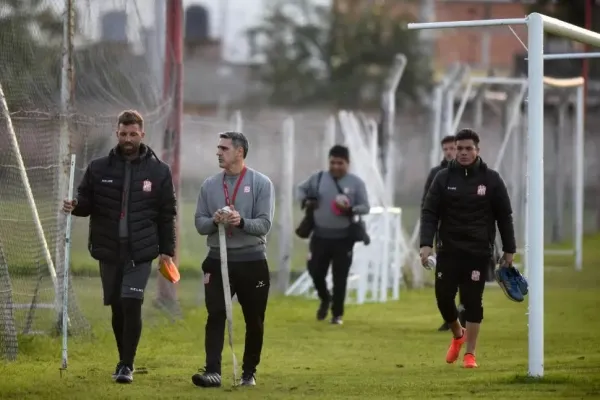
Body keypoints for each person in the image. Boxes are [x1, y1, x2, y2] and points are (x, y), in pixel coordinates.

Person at [62, 110, 176, 384]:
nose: (128, 138)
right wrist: (75, 207)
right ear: (117, 133)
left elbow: (166, 213)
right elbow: (86, 202)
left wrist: (167, 250)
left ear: (142, 134)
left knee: (131, 302)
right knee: (116, 306)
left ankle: (127, 364)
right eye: (123, 134)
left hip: (142, 250)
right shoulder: (99, 168)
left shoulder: (158, 171)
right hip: (109, 249)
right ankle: (122, 355)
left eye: (133, 134)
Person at [419, 128, 516, 369]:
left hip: (478, 251)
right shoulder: (442, 178)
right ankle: (457, 334)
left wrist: (509, 249)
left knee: (473, 301)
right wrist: (425, 245)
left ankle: (470, 354)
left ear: (477, 151)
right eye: (459, 148)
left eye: (467, 149)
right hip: (448, 250)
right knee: (443, 298)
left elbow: (504, 216)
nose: (462, 153)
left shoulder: (491, 180)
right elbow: (429, 212)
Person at [192, 131, 275, 388]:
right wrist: (214, 220)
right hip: (217, 260)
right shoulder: (209, 185)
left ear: (239, 152)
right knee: (215, 314)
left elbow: (264, 224)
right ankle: (213, 372)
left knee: (254, 318)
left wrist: (240, 222)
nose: (218, 152)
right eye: (218, 148)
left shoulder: (261, 183)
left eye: (224, 148)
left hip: (252, 262)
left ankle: (248, 372)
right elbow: (199, 223)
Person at [296, 145, 370, 325]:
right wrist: (306, 200)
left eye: (340, 163)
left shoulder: (356, 183)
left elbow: (365, 207)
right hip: (320, 236)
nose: (336, 166)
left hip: (344, 239)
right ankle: (324, 298)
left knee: (340, 277)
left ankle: (337, 314)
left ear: (347, 163)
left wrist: (351, 209)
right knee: (315, 270)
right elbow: (300, 190)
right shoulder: (318, 178)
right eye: (333, 162)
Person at [421, 135, 466, 332]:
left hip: (466, 233)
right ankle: (451, 317)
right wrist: (427, 237)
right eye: (446, 149)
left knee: (465, 275)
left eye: (452, 148)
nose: (449, 152)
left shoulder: (469, 174)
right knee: (446, 278)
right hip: (443, 234)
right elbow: (426, 204)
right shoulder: (436, 174)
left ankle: (464, 314)